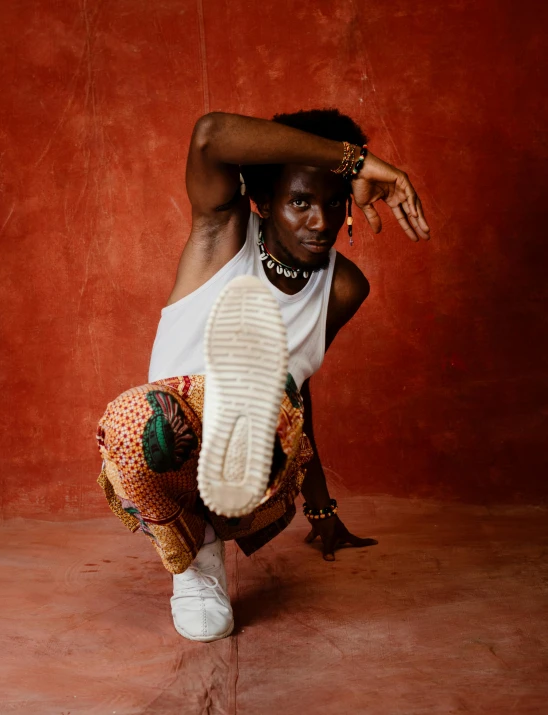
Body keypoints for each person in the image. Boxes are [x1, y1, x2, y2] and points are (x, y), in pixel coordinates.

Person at [96, 109, 430, 642]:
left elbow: (298, 392)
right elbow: (210, 135)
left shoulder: (343, 289)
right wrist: (357, 160)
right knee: (139, 417)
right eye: (300, 201)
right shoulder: (222, 231)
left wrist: (321, 507)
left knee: (272, 391)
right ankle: (195, 562)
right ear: (263, 202)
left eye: (333, 202)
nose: (320, 221)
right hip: (168, 457)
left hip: (257, 477)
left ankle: (209, 534)